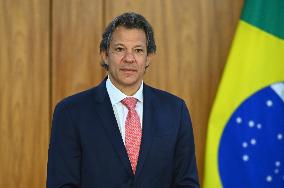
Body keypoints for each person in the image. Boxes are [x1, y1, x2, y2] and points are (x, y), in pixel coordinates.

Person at [47, 12, 200, 188]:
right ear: (105, 55)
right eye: (120, 49)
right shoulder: (70, 113)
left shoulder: (175, 110)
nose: (129, 58)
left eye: (138, 50)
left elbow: (186, 183)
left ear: (148, 57)